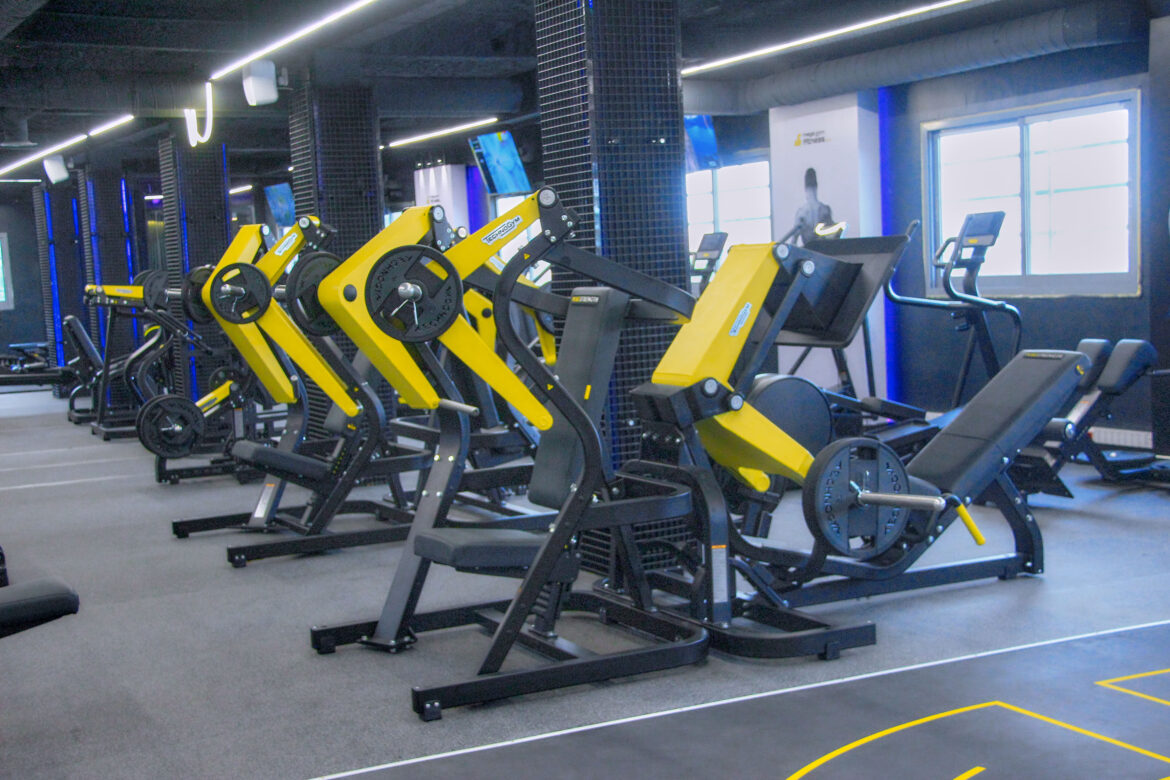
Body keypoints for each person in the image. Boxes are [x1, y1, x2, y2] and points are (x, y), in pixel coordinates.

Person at [793, 167, 837, 245]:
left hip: (817, 248)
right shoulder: (825, 210)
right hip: (819, 248)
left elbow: (794, 240)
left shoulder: (801, 213)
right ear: (817, 186)